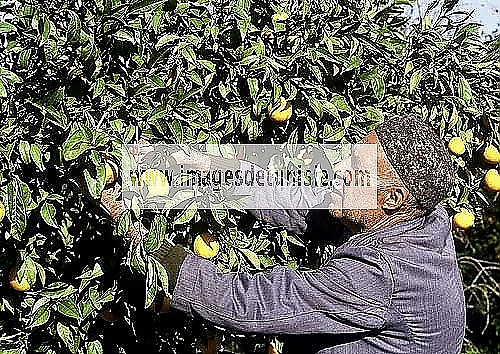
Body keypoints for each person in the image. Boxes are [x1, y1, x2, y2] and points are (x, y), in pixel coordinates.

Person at [101, 114, 466, 354]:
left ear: (392, 198)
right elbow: (305, 205)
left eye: (355, 167)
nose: (338, 169)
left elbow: (252, 303)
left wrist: (146, 244)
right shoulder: (422, 217)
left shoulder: (380, 276)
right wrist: (211, 171)